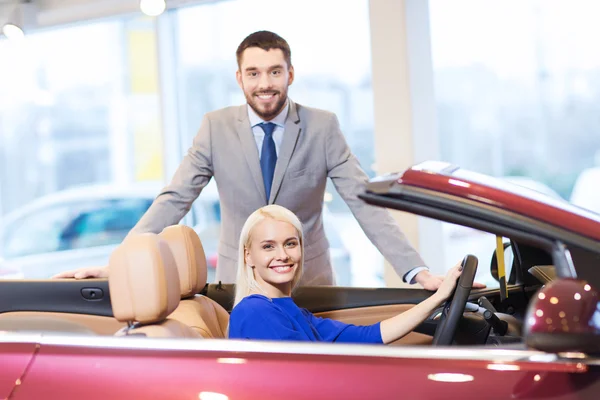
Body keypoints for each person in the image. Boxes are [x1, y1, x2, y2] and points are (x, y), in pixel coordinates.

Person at [55, 30, 479, 290]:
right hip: (239, 283)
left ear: (290, 74)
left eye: (275, 71)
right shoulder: (214, 127)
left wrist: (418, 273)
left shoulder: (323, 126)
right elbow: (174, 200)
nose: (265, 84)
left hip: (309, 281)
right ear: (239, 78)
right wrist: (121, 261)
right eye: (254, 73)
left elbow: (364, 203)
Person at [228, 205, 462, 343]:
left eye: (290, 244)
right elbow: (306, 381)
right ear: (248, 256)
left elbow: (370, 336)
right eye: (268, 246)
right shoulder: (254, 312)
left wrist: (438, 298)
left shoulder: (292, 311)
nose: (282, 255)